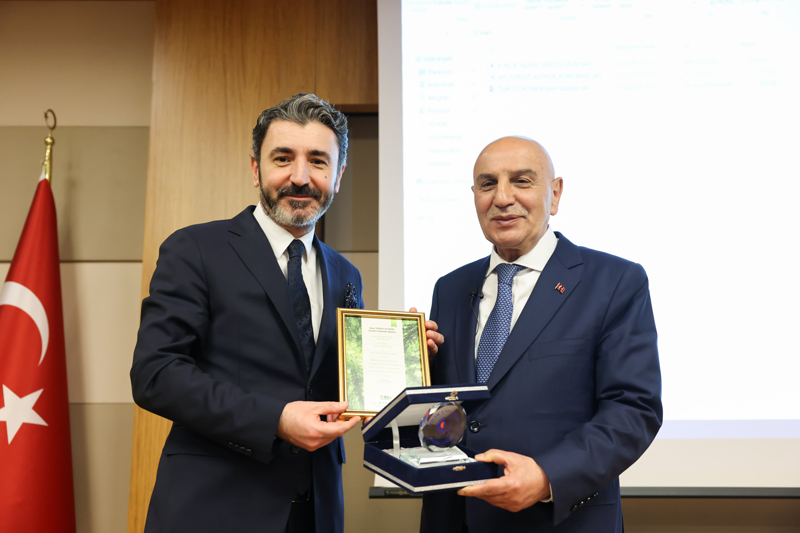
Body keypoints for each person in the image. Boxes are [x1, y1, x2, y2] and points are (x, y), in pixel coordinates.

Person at [130, 93, 442, 533]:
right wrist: (274, 419)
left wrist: (408, 359)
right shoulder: (195, 249)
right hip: (215, 508)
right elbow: (156, 374)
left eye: (318, 161)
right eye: (283, 158)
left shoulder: (346, 274)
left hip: (315, 512)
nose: (300, 177)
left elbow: (341, 388)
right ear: (255, 168)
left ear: (338, 175)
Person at [420, 136, 662, 532]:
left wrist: (549, 476)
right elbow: (450, 414)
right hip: (455, 518)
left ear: (555, 194)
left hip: (559, 520)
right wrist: (416, 371)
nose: (502, 198)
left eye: (521, 181)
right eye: (487, 184)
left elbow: (634, 410)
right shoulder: (449, 288)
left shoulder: (615, 281)